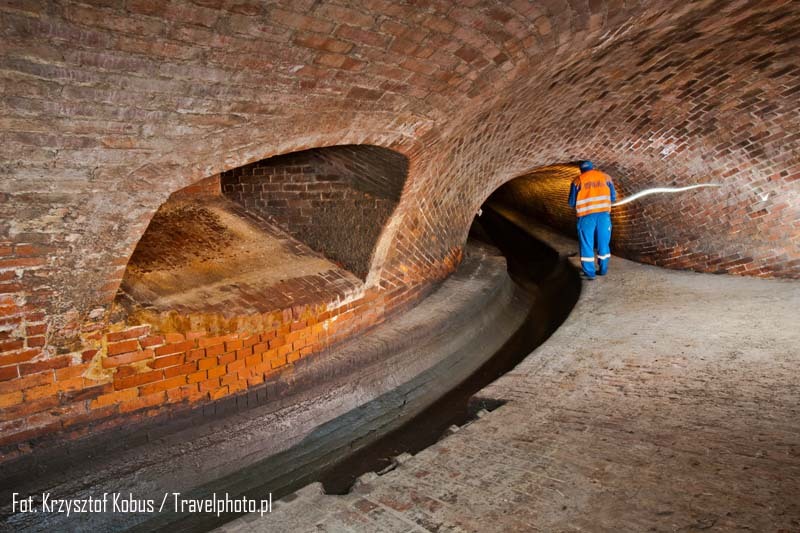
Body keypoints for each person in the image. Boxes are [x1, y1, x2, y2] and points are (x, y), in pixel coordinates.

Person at [568, 160, 617, 279]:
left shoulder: (578, 180)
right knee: (603, 243)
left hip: (586, 217)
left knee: (586, 244)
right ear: (593, 167)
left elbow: (572, 202)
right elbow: (613, 197)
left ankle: (590, 273)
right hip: (603, 216)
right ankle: (603, 269)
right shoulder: (605, 177)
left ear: (581, 170)